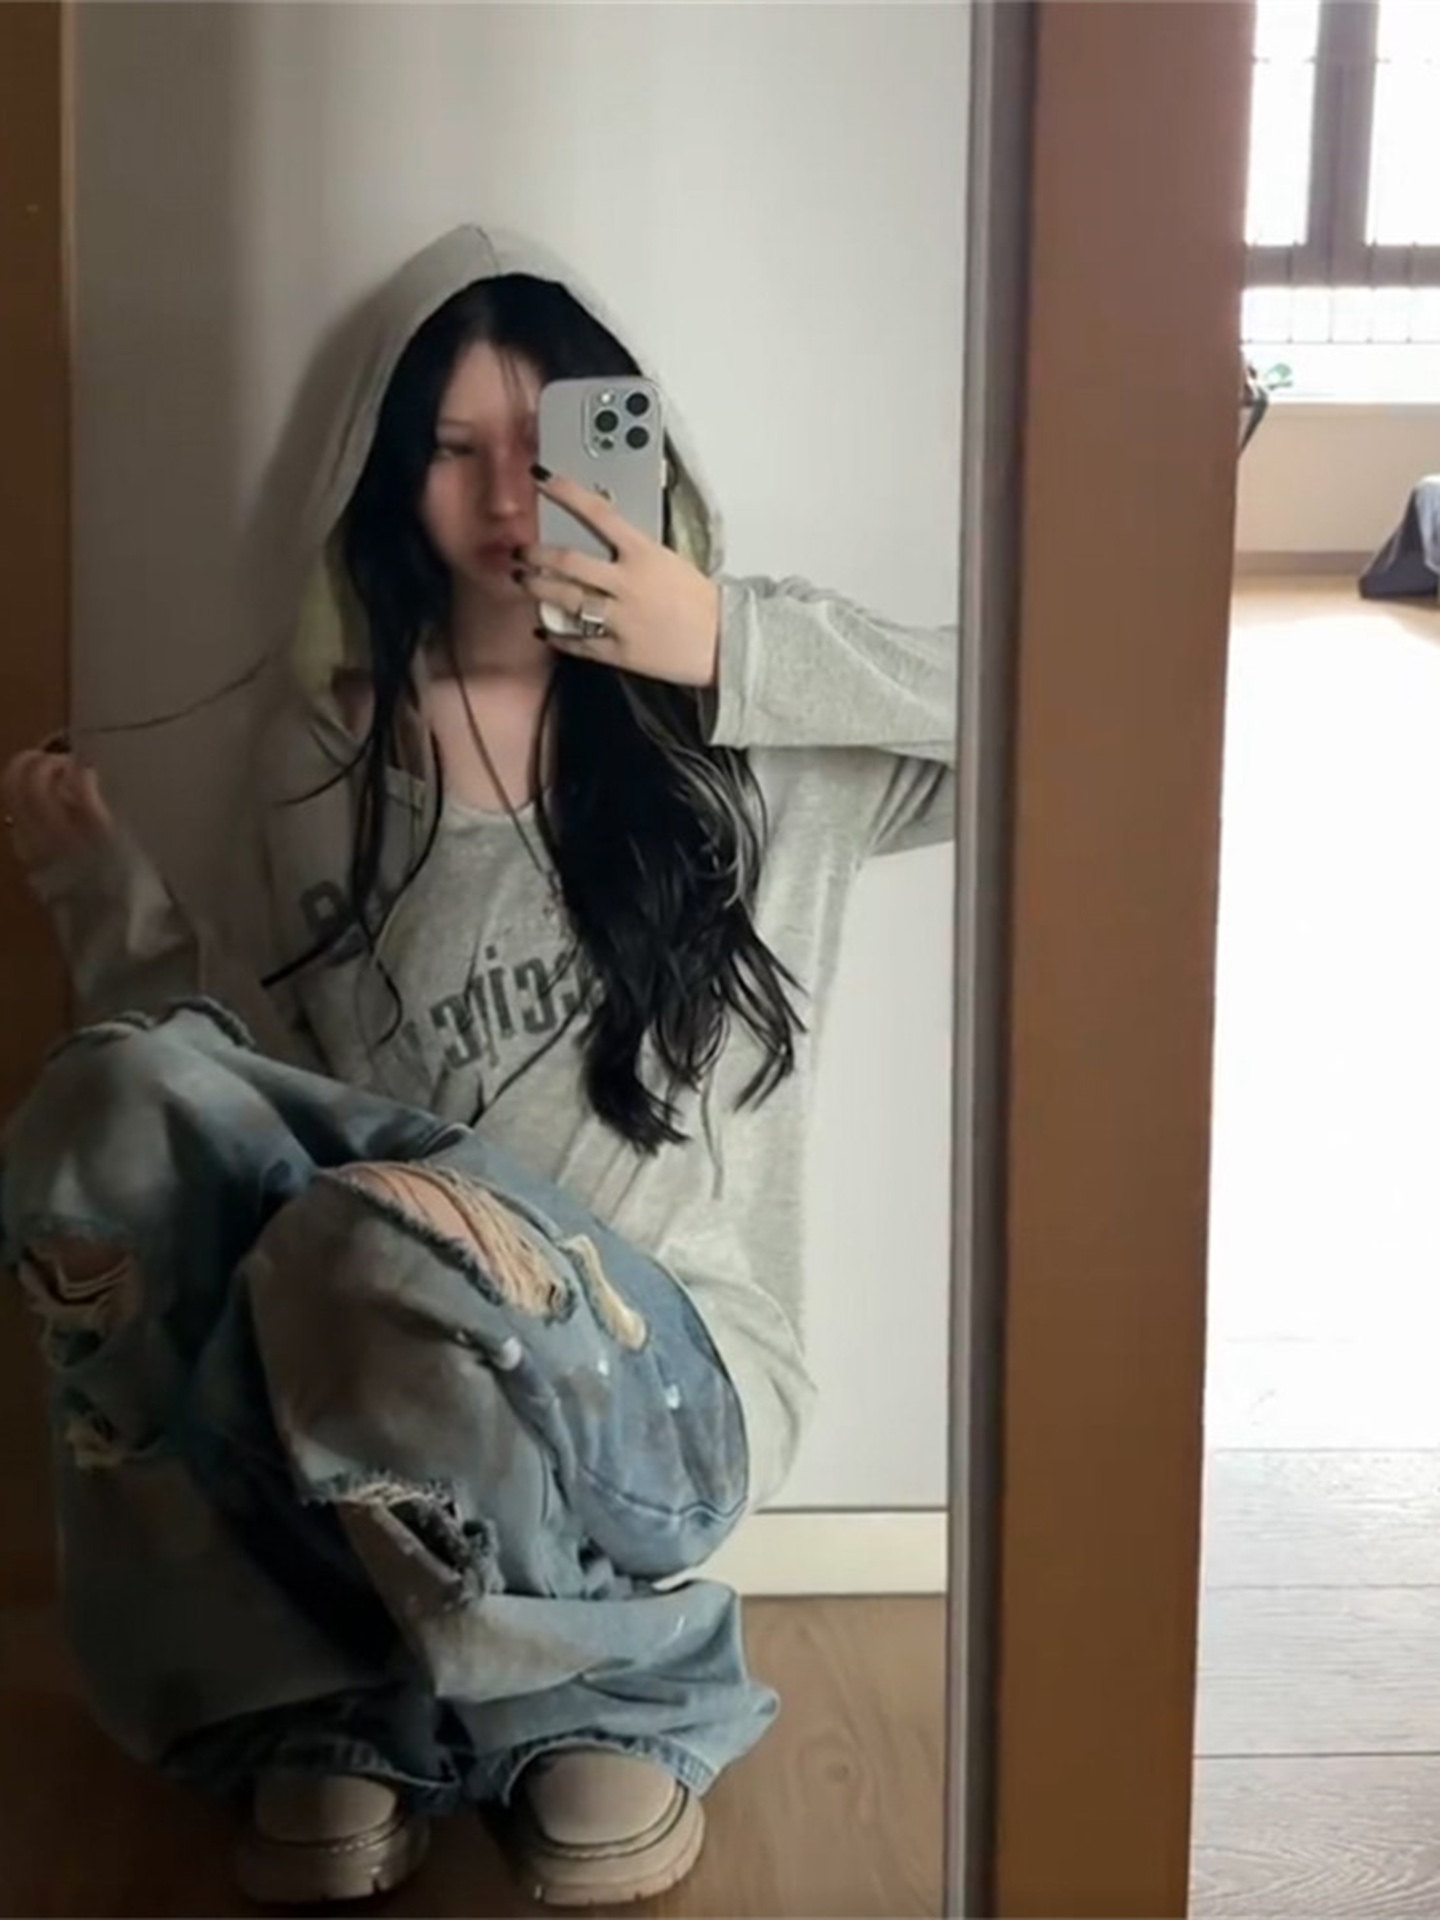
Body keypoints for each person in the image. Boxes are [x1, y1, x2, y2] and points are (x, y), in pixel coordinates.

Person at [0, 223, 956, 1908]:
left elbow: (1088, 704)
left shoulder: (765, 757)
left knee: (392, 1238)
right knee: (121, 1116)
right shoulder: (319, 762)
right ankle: (321, 1688)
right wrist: (106, 902)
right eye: (455, 449)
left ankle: (602, 1687)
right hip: (383, 1364)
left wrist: (730, 642)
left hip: (669, 1395)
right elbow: (253, 1112)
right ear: (394, 482)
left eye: (554, 440)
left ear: (638, 450)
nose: (512, 498)